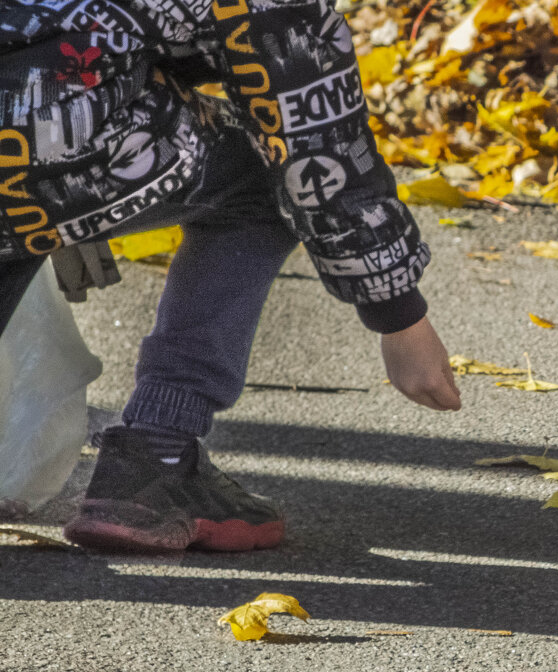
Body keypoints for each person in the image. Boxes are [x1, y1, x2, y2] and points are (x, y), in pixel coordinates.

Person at [0, 0, 461, 552]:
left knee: (21, 206)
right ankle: (158, 451)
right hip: (38, 132)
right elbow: (312, 133)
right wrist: (399, 315)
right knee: (263, 175)